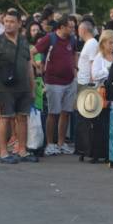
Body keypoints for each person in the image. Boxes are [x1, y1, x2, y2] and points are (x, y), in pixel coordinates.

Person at [0, 9, 38, 164]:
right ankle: (3, 152)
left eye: (12, 22)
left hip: (23, 87)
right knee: (5, 119)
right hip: (4, 87)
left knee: (22, 118)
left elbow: (29, 66)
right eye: (6, 21)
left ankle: (22, 150)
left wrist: (32, 87)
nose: (8, 24)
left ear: (19, 24)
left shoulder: (23, 41)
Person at [32, 15, 78, 156]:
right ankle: (50, 144)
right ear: (62, 27)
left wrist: (75, 69)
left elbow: (74, 53)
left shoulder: (72, 39)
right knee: (53, 113)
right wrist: (37, 67)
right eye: (70, 26)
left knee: (66, 113)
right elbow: (33, 52)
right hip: (53, 82)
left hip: (70, 81)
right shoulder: (50, 38)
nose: (72, 29)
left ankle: (61, 143)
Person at [77, 17, 99, 89]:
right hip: (82, 81)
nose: (78, 32)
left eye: (79, 30)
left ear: (83, 30)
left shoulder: (92, 43)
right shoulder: (89, 42)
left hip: (86, 83)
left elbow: (93, 63)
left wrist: (91, 83)